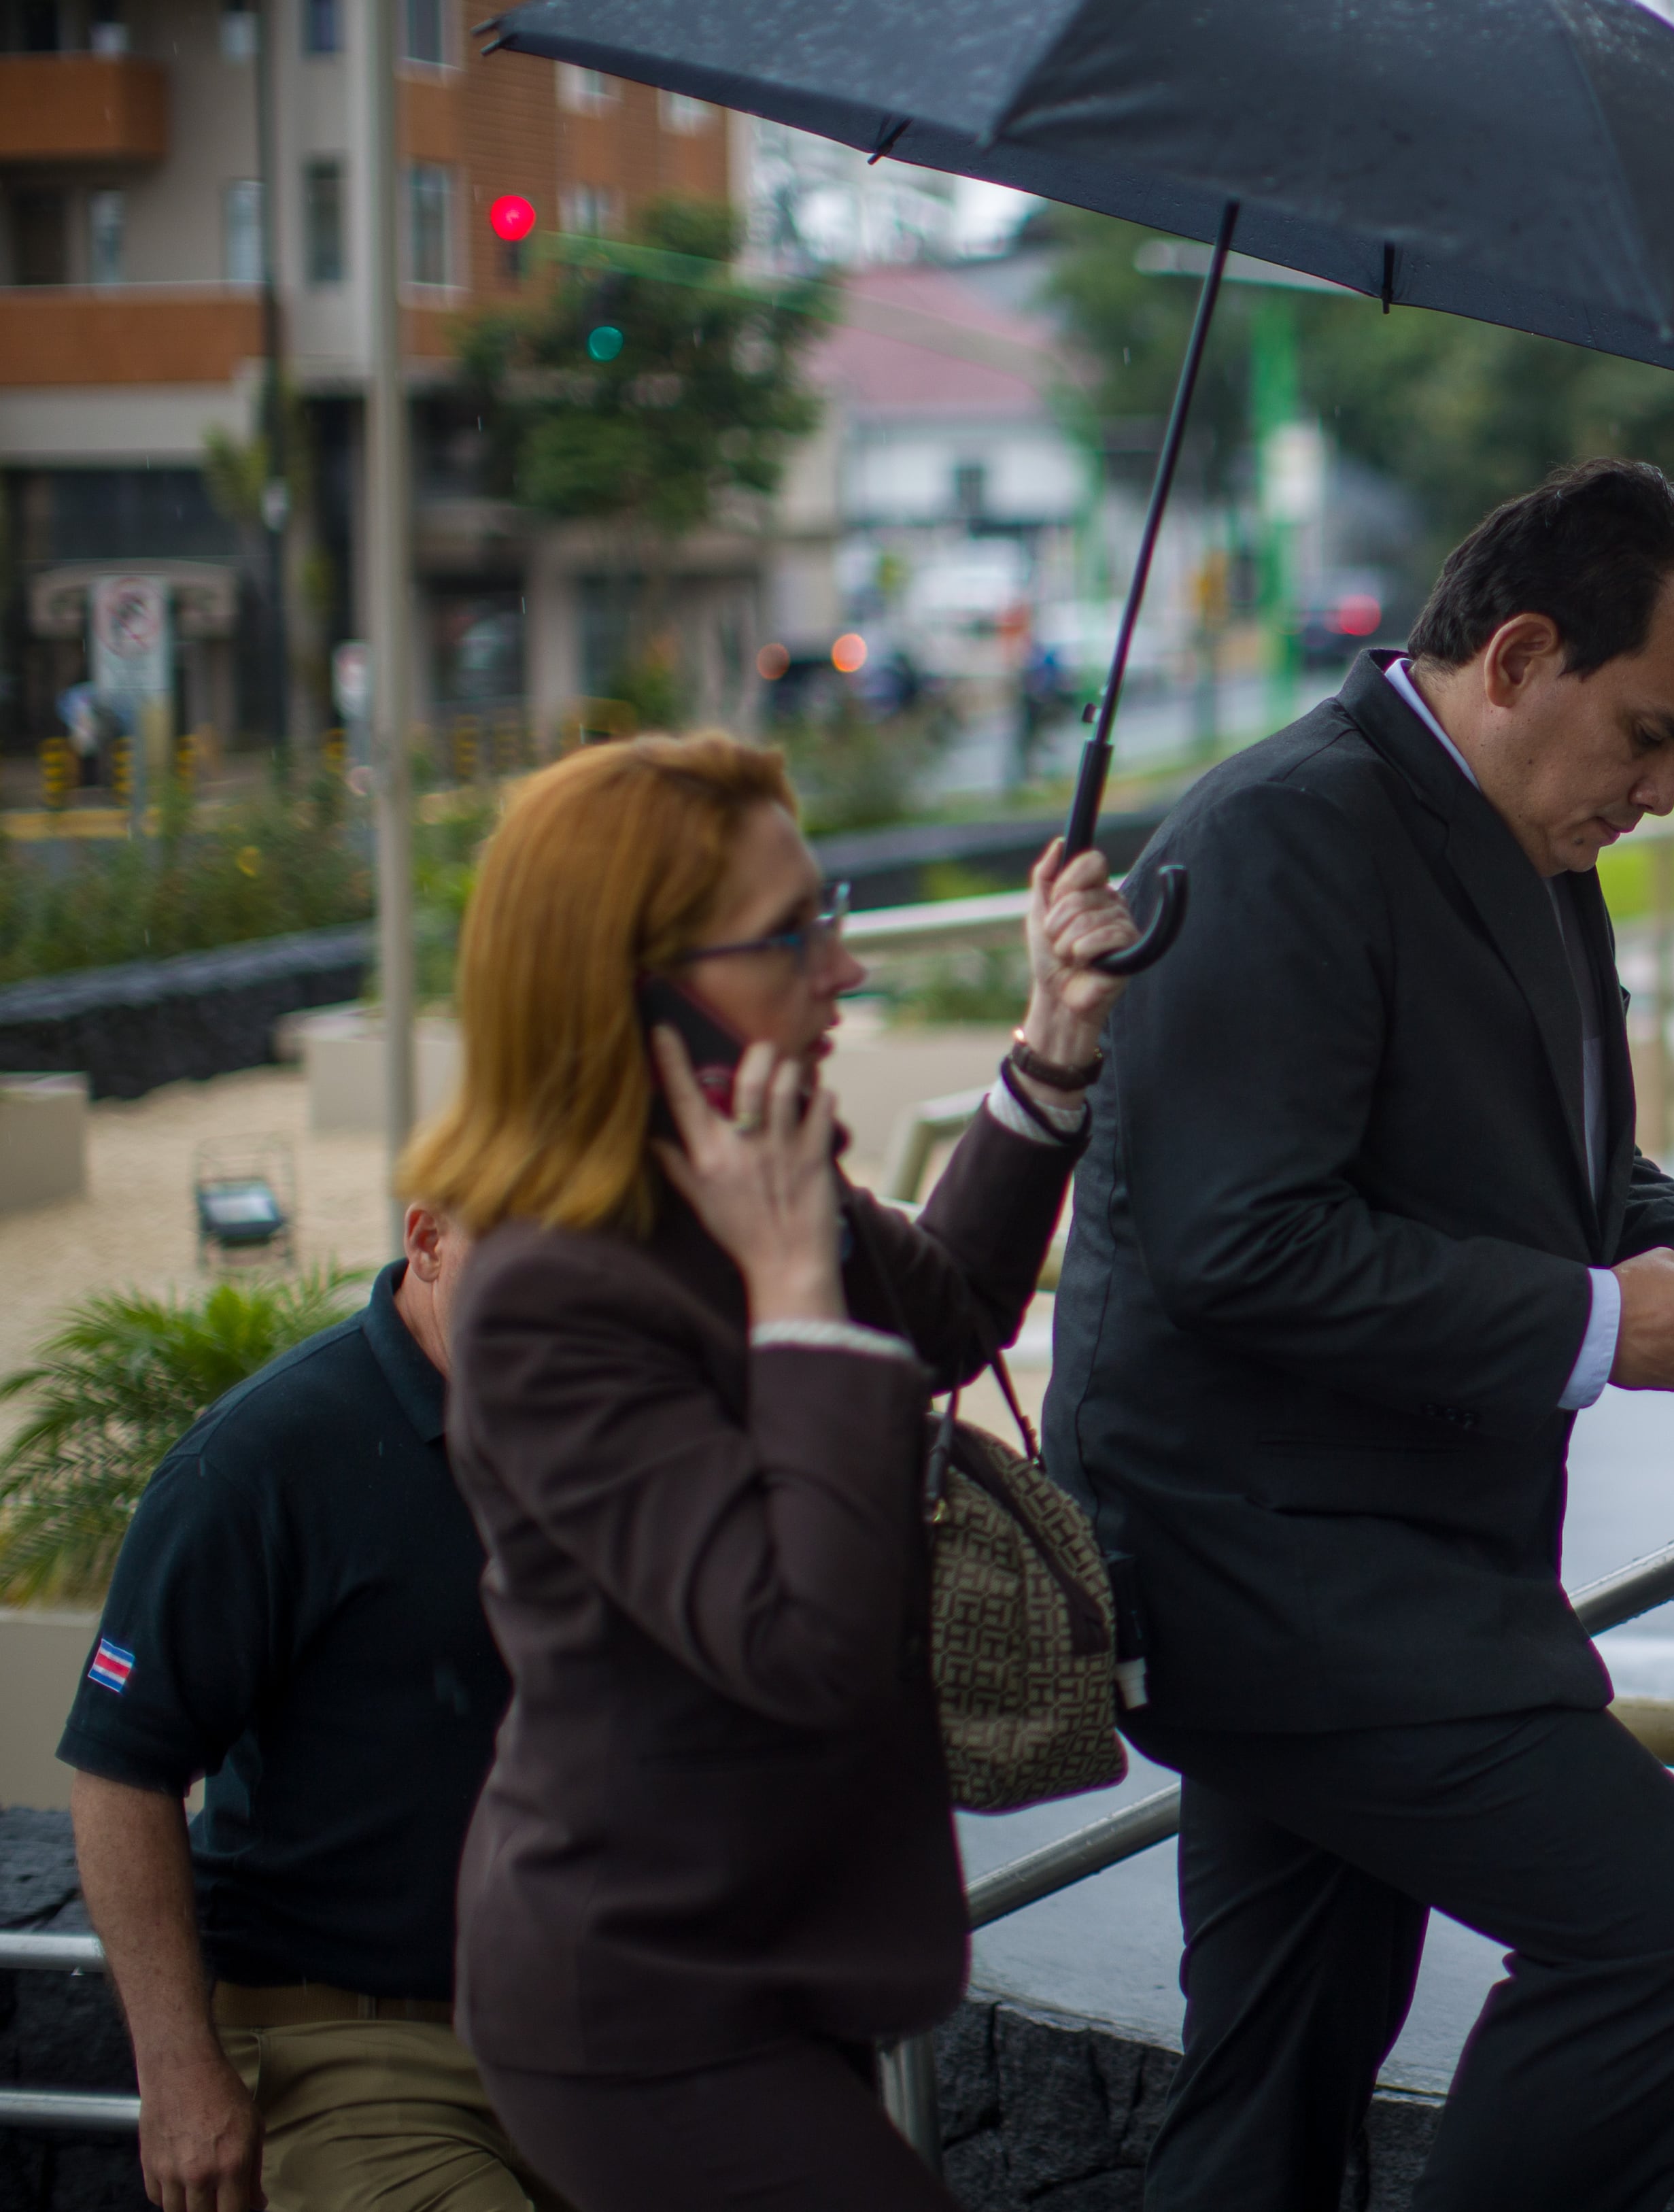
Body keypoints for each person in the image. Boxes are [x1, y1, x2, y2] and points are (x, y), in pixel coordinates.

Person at [1046, 460, 1674, 2212]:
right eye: (1646, 735)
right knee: (1671, 1924)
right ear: (1516, 655)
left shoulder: (1508, 825)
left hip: (1378, 1557)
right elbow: (1233, 1243)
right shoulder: (1275, 836)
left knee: (1278, 2070)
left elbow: (1551, 1145)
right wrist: (1600, 1318)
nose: (1655, 792)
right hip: (1269, 1571)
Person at [408, 732, 1138, 2212]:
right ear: (640, 984)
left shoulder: (742, 1177)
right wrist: (797, 1287)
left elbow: (945, 1310)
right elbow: (796, 1642)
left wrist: (1055, 1047)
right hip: (640, 2002)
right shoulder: (549, 1291)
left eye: (834, 909)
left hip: (788, 1944)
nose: (844, 970)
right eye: (793, 932)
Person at [65, 1208, 563, 2212]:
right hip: (343, 2049)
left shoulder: (608, 1430)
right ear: (427, 1240)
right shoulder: (260, 1458)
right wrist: (176, 2075)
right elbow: (122, 1768)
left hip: (596, 2044)